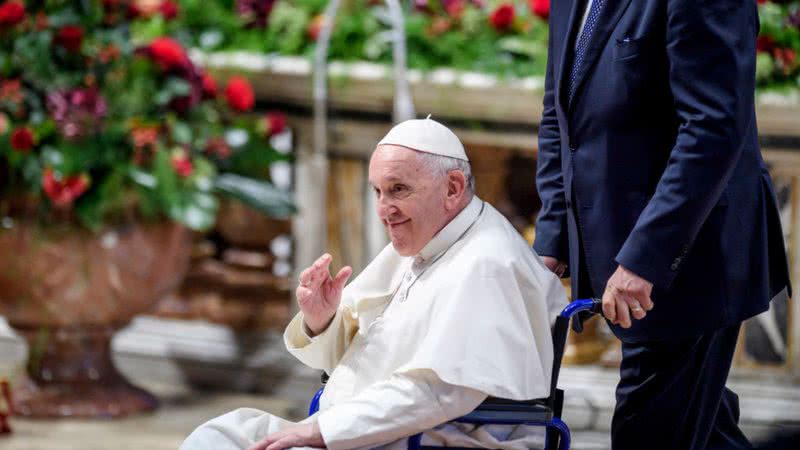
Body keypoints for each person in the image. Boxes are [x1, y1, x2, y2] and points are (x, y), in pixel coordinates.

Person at [179, 117, 567, 450]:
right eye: (378, 192)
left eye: (398, 189)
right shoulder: (427, 239)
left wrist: (319, 430)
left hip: (441, 438)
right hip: (382, 431)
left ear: (452, 188)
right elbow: (361, 359)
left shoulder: (487, 263)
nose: (384, 210)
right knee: (222, 434)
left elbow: (440, 390)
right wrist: (322, 321)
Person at [534, 1, 792, 449]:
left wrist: (646, 260)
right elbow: (559, 116)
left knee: (647, 431)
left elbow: (712, 130)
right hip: (625, 253)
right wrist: (553, 236)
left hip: (688, 261)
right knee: (703, 430)